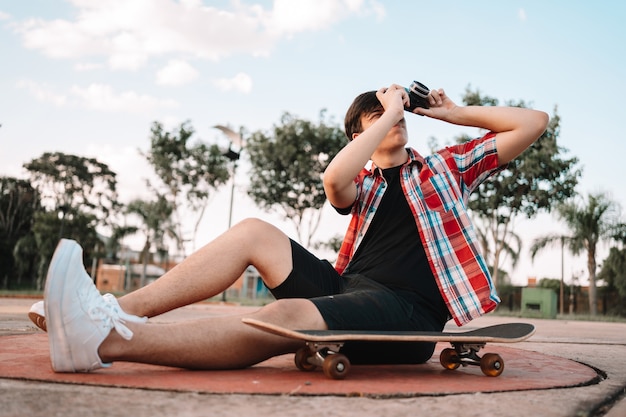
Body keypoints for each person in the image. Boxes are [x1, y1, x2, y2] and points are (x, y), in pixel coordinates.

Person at [34, 83, 549, 372]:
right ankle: (108, 313)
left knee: (286, 314)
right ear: (357, 134)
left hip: (405, 311)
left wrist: (454, 113)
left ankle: (103, 344)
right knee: (254, 230)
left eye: (397, 113)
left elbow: (533, 122)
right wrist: (387, 105)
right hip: (348, 286)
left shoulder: (444, 169)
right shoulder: (363, 183)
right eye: (376, 115)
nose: (394, 117)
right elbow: (335, 179)